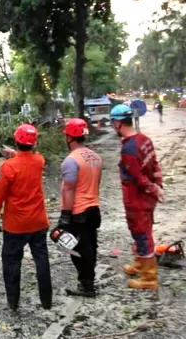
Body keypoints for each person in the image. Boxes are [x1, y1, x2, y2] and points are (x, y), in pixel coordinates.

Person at [0, 124, 52, 311]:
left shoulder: (7, 168)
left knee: (12, 263)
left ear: (16, 140)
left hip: (15, 226)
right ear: (34, 143)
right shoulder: (39, 161)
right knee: (42, 261)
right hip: (39, 222)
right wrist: (15, 153)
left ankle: (13, 303)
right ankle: (46, 301)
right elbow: (27, 159)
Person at [110, 104, 164, 291]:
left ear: (117, 123)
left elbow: (138, 178)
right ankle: (140, 264)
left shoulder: (129, 150)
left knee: (141, 234)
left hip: (137, 198)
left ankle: (149, 279)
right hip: (147, 198)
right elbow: (155, 165)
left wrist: (153, 189)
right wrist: (158, 186)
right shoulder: (145, 140)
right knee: (142, 231)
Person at [55, 118, 103, 298]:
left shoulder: (71, 161)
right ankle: (88, 281)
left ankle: (87, 285)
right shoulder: (96, 157)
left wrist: (65, 215)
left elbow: (69, 189)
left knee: (77, 249)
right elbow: (96, 183)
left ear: (69, 137)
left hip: (78, 212)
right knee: (91, 245)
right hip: (93, 208)